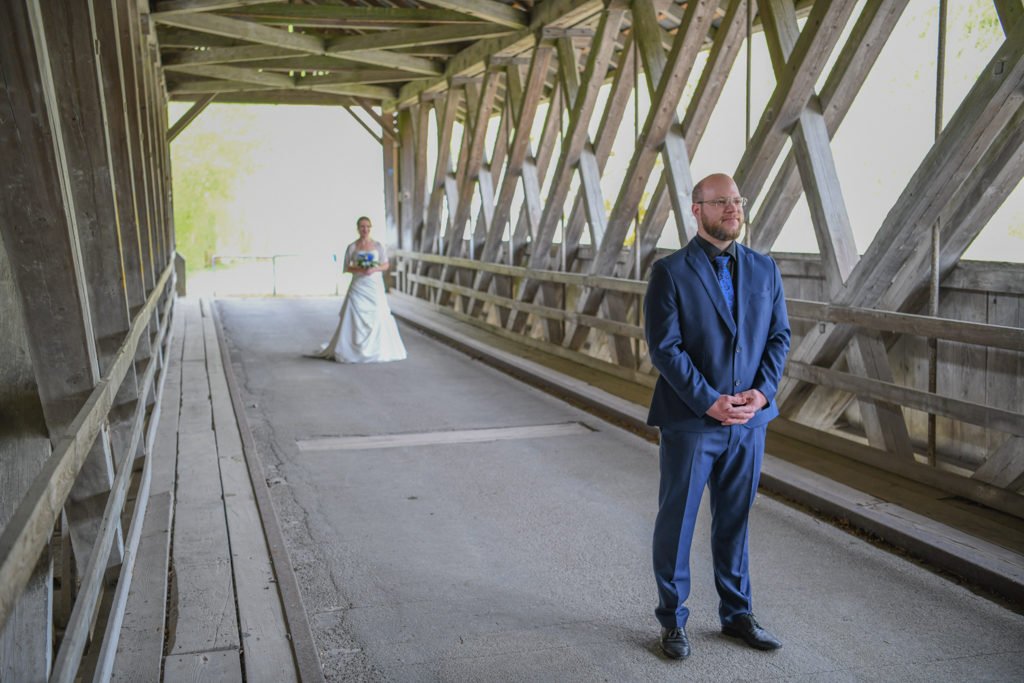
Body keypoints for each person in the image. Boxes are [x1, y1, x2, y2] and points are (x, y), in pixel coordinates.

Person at [643, 173, 790, 660]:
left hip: (748, 423)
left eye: (737, 201)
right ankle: (672, 620)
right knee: (677, 523)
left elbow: (778, 338)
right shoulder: (670, 272)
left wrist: (762, 395)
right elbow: (666, 349)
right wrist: (708, 399)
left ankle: (737, 614)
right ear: (697, 209)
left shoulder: (765, 269)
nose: (732, 209)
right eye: (721, 202)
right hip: (691, 422)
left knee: (735, 522)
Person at [310, 216, 407, 363]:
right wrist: (360, 268)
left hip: (373, 284)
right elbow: (347, 267)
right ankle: (351, 348)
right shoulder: (352, 247)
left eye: (368, 226)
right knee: (352, 312)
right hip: (359, 284)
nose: (365, 229)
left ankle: (377, 348)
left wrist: (373, 268)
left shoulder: (378, 246)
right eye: (362, 226)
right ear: (358, 228)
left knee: (378, 313)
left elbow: (385, 265)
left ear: (370, 228)